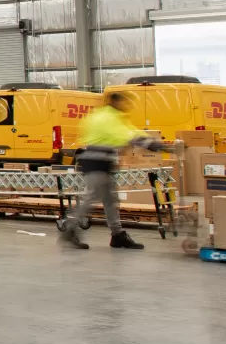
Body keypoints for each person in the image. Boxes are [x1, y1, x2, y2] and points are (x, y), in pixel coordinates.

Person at [60, 91, 167, 250]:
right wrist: (151, 144)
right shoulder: (107, 118)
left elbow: (130, 130)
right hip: (96, 162)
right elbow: (125, 134)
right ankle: (70, 229)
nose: (127, 106)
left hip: (102, 162)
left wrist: (151, 141)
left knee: (110, 199)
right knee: (92, 196)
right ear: (115, 102)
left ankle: (117, 235)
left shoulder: (104, 116)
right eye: (125, 102)